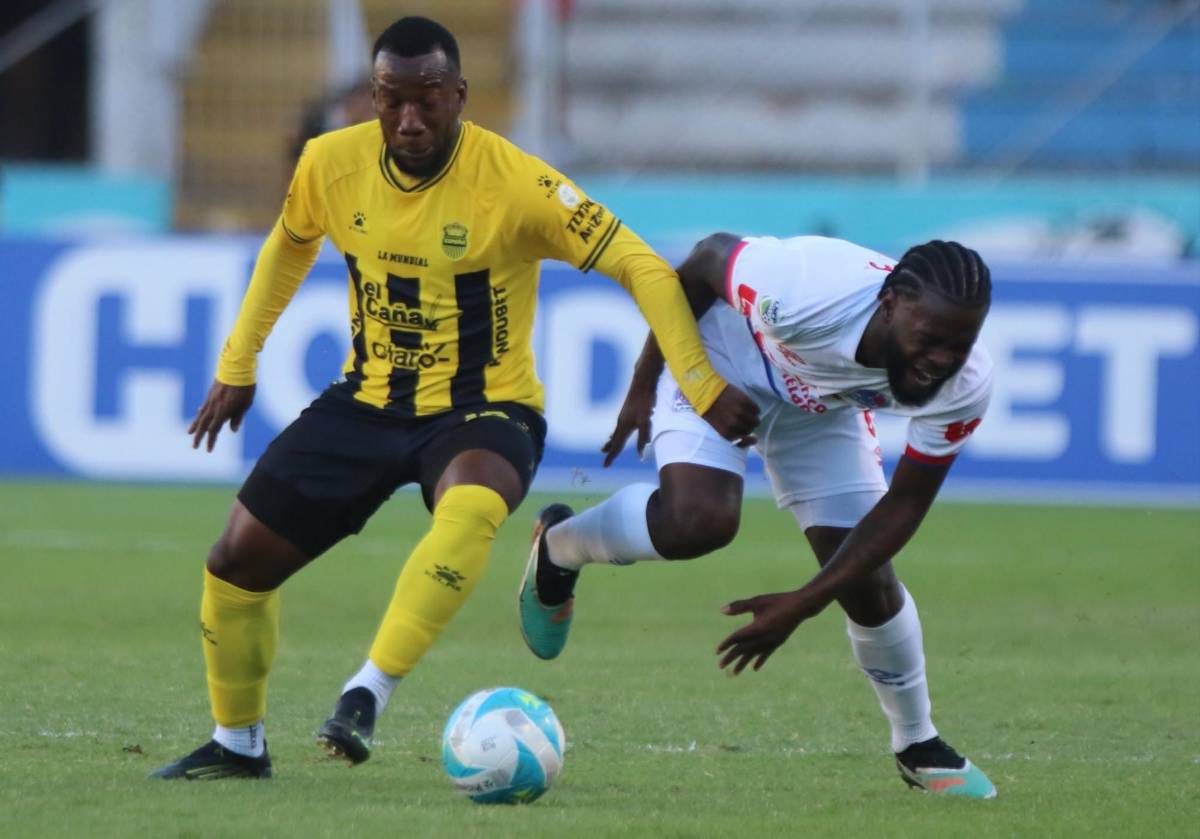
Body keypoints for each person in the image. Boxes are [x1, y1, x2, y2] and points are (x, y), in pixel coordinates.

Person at [151, 16, 758, 780]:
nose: (408, 120)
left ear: (460, 95)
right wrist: (238, 363)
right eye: (391, 100)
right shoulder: (328, 163)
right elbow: (288, 245)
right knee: (234, 563)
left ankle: (368, 689)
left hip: (487, 407)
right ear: (372, 95)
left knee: (472, 502)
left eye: (428, 100)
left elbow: (643, 265)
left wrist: (697, 384)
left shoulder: (518, 183)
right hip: (367, 399)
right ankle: (237, 745)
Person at [518, 234, 999, 799]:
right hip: (718, 361)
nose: (942, 360)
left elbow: (905, 506)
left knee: (867, 578)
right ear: (889, 304)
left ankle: (918, 743)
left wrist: (805, 601)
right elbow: (700, 264)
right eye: (930, 340)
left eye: (959, 346)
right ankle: (560, 546)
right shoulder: (803, 291)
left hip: (818, 412)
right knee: (699, 522)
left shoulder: (964, 385)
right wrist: (655, 381)